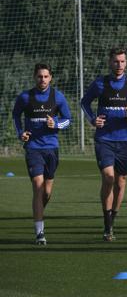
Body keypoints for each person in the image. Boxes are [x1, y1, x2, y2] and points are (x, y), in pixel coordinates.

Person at [81, 47, 127, 242]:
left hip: (126, 140)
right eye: (116, 61)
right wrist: (93, 120)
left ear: (126, 63)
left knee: (120, 182)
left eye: (123, 62)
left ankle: (112, 221)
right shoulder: (100, 83)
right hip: (105, 140)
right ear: (110, 62)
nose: (119, 65)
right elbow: (85, 102)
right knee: (109, 177)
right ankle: (107, 223)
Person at [12, 63, 72, 245]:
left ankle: (38, 211)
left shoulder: (58, 97)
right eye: (39, 76)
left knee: (46, 192)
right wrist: (20, 133)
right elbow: (16, 116)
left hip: (51, 148)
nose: (43, 80)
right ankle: (40, 233)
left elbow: (68, 119)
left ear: (51, 77)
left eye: (46, 76)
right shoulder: (25, 97)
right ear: (34, 77)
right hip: (33, 148)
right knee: (38, 186)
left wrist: (57, 124)